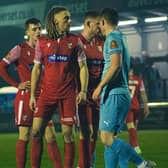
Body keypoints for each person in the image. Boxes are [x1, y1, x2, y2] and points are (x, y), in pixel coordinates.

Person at [92, 8, 156, 168]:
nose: (98, 27)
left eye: (99, 23)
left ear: (104, 22)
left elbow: (115, 65)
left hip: (113, 94)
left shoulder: (112, 38)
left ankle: (142, 164)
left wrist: (100, 86)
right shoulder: (121, 37)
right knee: (110, 140)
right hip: (119, 93)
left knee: (106, 138)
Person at [29, 6, 88, 168]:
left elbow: (83, 67)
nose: (70, 21)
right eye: (66, 18)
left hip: (68, 94)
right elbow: (36, 69)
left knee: (68, 135)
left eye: (69, 18)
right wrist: (33, 95)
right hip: (46, 94)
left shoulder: (76, 41)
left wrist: (83, 91)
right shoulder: (41, 42)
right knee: (35, 132)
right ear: (55, 21)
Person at [0, 18, 62, 168]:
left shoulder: (46, 49)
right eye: (34, 29)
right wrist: (17, 84)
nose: (38, 32)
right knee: (25, 135)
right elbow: (1, 67)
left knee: (50, 136)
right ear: (27, 32)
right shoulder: (19, 49)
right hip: (26, 96)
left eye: (39, 28)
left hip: (43, 98)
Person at [77, 11, 104, 168]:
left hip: (97, 95)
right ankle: (83, 165)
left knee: (94, 134)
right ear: (88, 24)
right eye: (97, 23)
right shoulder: (76, 42)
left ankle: (87, 164)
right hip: (82, 93)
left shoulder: (101, 42)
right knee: (85, 132)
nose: (100, 26)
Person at [126, 64, 150, 154]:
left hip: (128, 107)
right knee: (134, 128)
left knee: (131, 127)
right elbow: (143, 93)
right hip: (137, 107)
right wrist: (146, 106)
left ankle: (135, 146)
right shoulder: (139, 80)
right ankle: (133, 145)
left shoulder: (123, 79)